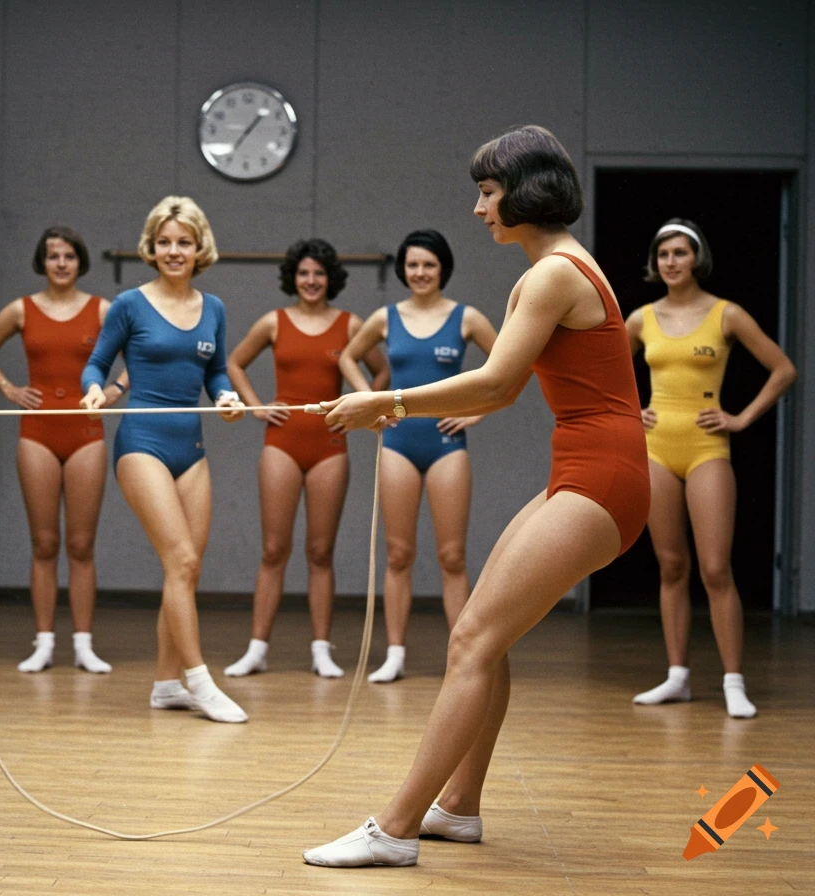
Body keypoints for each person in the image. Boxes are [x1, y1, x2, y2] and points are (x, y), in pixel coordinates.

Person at [303, 125, 650, 868]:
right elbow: (502, 386)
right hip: (585, 467)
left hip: (602, 474)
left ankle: (395, 829)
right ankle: (457, 807)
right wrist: (395, 405)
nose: (478, 208)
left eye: (488, 192)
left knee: (471, 640)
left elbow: (496, 385)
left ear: (527, 193)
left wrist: (385, 402)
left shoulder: (555, 272)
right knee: (482, 634)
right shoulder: (553, 269)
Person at [80, 196, 248, 723]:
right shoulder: (129, 304)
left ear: (200, 248)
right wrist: (94, 390)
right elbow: (97, 363)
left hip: (190, 448)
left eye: (184, 242)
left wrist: (225, 396)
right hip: (142, 442)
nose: (174, 251)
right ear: (151, 248)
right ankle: (200, 681)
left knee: (184, 571)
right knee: (181, 561)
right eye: (165, 242)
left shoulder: (214, 308)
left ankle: (165, 684)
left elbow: (216, 372)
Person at [626, 219, 794, 719]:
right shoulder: (641, 319)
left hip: (706, 447)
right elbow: (604, 372)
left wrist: (739, 418)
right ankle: (677, 677)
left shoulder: (726, 314)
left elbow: (783, 369)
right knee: (671, 565)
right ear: (655, 263)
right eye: (663, 255)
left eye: (680, 252)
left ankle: (733, 682)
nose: (671, 262)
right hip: (656, 448)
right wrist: (629, 411)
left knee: (715, 568)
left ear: (697, 258)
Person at [338, 230, 497, 683]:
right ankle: (394, 654)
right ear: (402, 270)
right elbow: (348, 358)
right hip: (399, 444)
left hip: (446, 446)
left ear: (443, 268)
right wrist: (369, 402)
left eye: (429, 264)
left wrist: (477, 413)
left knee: (452, 556)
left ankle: (462, 657)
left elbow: (509, 367)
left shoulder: (466, 318)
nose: (420, 272)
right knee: (398, 554)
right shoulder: (386, 318)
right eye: (412, 265)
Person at [223, 238, 386, 679]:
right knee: (274, 549)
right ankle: (257, 649)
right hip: (281, 443)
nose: (311, 281)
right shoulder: (273, 322)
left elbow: (381, 370)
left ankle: (321, 651)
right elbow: (234, 363)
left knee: (320, 552)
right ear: (292, 278)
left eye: (318, 273)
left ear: (330, 278)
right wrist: (257, 406)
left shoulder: (350, 324)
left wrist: (358, 408)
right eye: (303, 273)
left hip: (329, 446)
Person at [0, 226, 121, 674]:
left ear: (80, 262)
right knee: (44, 542)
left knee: (81, 544)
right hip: (36, 432)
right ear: (42, 261)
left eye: (69, 256)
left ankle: (84, 644)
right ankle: (44, 642)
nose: (61, 263)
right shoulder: (22, 309)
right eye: (53, 256)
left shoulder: (102, 309)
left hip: (85, 432)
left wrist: (115, 390)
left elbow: (140, 353)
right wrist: (9, 389)